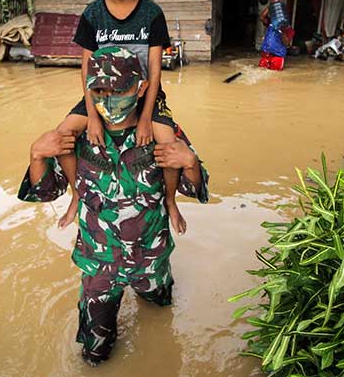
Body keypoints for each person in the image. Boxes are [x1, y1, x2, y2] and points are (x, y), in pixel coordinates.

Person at [19, 47, 209, 364]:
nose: (108, 100)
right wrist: (36, 154)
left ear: (140, 88)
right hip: (100, 262)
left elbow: (195, 187)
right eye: (99, 91)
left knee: (161, 313)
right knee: (95, 353)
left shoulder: (162, 133)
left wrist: (190, 163)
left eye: (118, 90)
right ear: (88, 92)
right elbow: (47, 191)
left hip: (151, 257)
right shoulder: (76, 137)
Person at [55, 0, 186, 234]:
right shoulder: (92, 15)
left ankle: (169, 200)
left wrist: (144, 120)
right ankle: (76, 193)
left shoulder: (152, 14)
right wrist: (93, 117)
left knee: (167, 140)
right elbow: (86, 71)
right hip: (101, 96)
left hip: (144, 96)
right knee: (62, 135)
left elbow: (154, 72)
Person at [258, 0, 293, 70]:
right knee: (260, 71)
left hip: (277, 57)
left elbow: (286, 43)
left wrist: (281, 30)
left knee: (274, 76)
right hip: (266, 54)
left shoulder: (289, 30)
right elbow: (261, 17)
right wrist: (271, 6)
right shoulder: (271, 23)